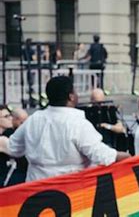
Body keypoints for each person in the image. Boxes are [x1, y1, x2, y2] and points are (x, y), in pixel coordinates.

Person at [0, 76, 130, 182]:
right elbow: (102, 155)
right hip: (68, 193)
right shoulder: (78, 124)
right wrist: (129, 158)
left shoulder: (33, 120)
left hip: (35, 193)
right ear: (71, 97)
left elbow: (13, 148)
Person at [0, 108, 28, 187]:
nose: (10, 118)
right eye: (6, 116)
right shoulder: (4, 138)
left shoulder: (12, 133)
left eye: (10, 115)